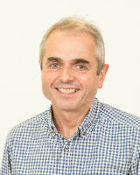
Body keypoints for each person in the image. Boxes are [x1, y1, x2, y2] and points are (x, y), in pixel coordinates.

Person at [1, 16, 140, 175]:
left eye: (80, 66)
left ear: (101, 75)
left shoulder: (135, 138)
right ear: (41, 70)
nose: (65, 77)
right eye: (55, 65)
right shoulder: (17, 140)